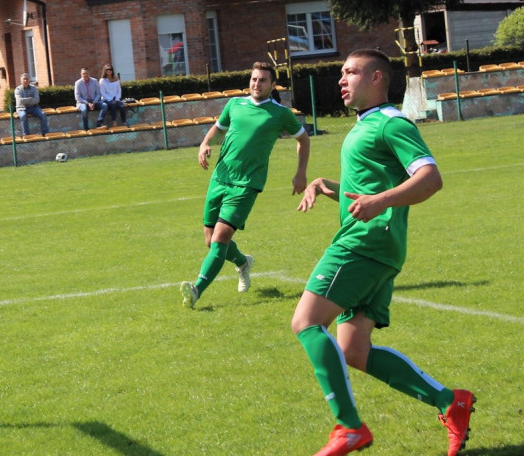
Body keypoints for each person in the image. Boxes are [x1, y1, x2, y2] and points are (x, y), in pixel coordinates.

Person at [292, 49, 473, 456]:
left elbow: (430, 179)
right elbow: (366, 191)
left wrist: (381, 202)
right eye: (341, 73)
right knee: (354, 350)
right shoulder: (365, 124)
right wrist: (326, 185)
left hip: (363, 244)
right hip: (381, 247)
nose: (342, 80)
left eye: (351, 72)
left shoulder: (391, 123)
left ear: (376, 78)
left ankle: (348, 427)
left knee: (306, 322)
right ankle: (450, 402)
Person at [181, 61, 309, 308]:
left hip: (247, 184)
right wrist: (204, 144)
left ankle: (196, 290)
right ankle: (243, 262)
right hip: (220, 178)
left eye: (263, 80)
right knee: (210, 240)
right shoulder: (234, 104)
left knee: (219, 240)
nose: (257, 84)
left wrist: (301, 173)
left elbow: (303, 140)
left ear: (272, 85)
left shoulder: (280, 114)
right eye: (254, 79)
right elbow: (218, 129)